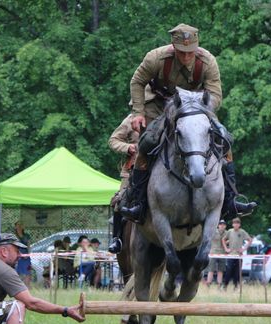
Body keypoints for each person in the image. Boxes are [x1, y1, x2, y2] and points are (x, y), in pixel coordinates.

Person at [120, 23, 257, 223]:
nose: (186, 57)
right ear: (173, 47)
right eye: (182, 52)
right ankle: (138, 202)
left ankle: (230, 200)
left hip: (195, 109)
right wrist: (138, 113)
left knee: (224, 139)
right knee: (147, 143)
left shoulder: (208, 61)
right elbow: (137, 81)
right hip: (158, 105)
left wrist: (195, 108)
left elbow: (216, 96)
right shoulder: (156, 58)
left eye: (190, 52)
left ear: (197, 47)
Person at [107, 114, 139, 253]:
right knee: (121, 200)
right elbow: (113, 140)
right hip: (133, 170)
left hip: (163, 169)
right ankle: (117, 239)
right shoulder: (132, 118)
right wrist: (128, 147)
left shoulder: (168, 113)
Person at [222, 218, 252, 290]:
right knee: (228, 271)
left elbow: (250, 240)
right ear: (232, 224)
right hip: (231, 255)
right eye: (234, 223)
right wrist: (226, 249)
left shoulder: (242, 232)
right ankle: (225, 286)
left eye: (237, 223)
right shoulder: (230, 231)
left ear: (239, 225)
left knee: (237, 272)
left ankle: (236, 287)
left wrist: (244, 249)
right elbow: (223, 239)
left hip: (239, 256)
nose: (236, 225)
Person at [205, 220, 227, 288]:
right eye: (220, 224)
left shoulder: (227, 233)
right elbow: (208, 239)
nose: (222, 225)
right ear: (218, 225)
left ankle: (219, 285)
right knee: (211, 269)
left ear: (225, 226)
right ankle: (208, 284)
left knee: (221, 270)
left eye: (223, 224)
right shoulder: (213, 231)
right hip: (213, 252)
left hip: (222, 253)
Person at [13, 221, 31, 286]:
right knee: (16, 272)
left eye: (21, 225)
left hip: (26, 257)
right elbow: (14, 246)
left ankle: (27, 288)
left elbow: (29, 246)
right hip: (17, 256)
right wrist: (20, 254)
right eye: (18, 225)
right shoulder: (13, 236)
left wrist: (28, 254)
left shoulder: (27, 236)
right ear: (15, 226)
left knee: (27, 272)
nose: (20, 226)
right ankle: (16, 287)